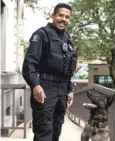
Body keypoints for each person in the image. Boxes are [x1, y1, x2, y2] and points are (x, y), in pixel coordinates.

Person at [22, 3, 77, 141]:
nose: (63, 19)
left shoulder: (68, 39)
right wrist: (35, 85)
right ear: (53, 16)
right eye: (60, 15)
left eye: (67, 17)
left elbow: (68, 69)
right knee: (44, 131)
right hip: (45, 88)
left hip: (62, 89)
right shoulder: (42, 34)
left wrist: (69, 90)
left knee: (56, 130)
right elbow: (29, 63)